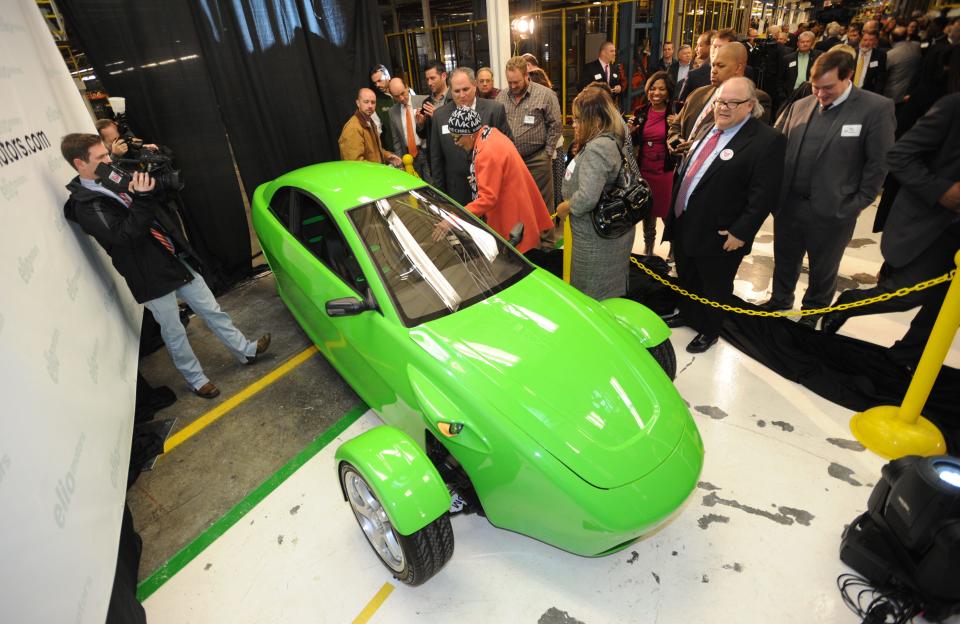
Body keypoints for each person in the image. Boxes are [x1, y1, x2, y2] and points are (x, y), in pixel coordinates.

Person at [60, 133, 270, 398]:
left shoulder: (113, 176)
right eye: (101, 157)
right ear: (80, 163)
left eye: (106, 154)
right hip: (148, 274)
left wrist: (152, 184)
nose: (108, 159)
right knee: (174, 331)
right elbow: (125, 235)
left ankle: (246, 351)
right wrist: (142, 197)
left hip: (172, 257)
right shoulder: (85, 206)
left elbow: (152, 206)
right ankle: (196, 379)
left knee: (211, 309)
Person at [820, 94, 959, 370]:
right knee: (908, 294)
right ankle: (849, 303)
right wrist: (941, 191)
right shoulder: (953, 107)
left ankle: (908, 358)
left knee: (947, 305)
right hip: (938, 223)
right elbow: (899, 155)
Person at [762, 50, 896, 326]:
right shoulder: (801, 105)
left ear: (848, 77)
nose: (820, 94)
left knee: (823, 268)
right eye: (816, 86)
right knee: (785, 259)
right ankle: (780, 300)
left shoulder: (874, 109)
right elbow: (780, 149)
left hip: (834, 209)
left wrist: (857, 202)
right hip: (789, 205)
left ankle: (812, 313)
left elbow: (879, 163)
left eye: (828, 88)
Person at [662, 77, 785, 353]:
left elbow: (764, 195)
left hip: (721, 233)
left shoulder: (767, 141)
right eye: (720, 101)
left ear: (750, 105)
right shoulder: (710, 128)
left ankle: (710, 329)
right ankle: (688, 313)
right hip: (686, 222)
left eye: (732, 102)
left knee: (714, 285)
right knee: (688, 276)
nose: (723, 108)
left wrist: (741, 231)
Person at [556, 87, 634, 300]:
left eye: (579, 120)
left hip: (595, 241)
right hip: (603, 237)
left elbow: (587, 198)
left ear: (597, 122)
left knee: (591, 294)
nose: (574, 124)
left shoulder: (597, 148)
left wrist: (565, 207)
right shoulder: (608, 140)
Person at [443, 107, 553, 254]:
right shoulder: (491, 134)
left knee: (517, 263)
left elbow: (488, 198)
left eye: (456, 137)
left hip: (512, 220)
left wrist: (454, 218)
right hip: (520, 207)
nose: (456, 143)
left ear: (469, 134)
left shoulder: (486, 153)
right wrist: (480, 178)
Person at [668, 42, 772, 157]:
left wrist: (701, 146)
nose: (713, 70)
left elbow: (747, 143)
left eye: (721, 66)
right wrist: (676, 141)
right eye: (713, 65)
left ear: (739, 67)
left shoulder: (756, 99)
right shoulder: (698, 93)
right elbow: (676, 125)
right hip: (683, 170)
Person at [429, 67, 512, 206]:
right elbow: (436, 159)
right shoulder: (440, 116)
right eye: (456, 91)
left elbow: (508, 148)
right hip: (456, 193)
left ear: (474, 86)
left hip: (491, 190)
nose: (461, 95)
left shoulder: (494, 110)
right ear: (450, 90)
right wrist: (441, 199)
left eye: (465, 89)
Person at [497, 56, 562, 213]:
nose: (512, 86)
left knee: (542, 205)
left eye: (516, 82)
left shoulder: (545, 95)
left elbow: (556, 125)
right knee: (517, 204)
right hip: (511, 162)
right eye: (509, 82)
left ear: (527, 75)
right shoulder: (501, 97)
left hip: (537, 160)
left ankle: (546, 238)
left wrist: (547, 153)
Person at [630, 70, 676, 256]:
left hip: (665, 170)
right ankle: (648, 247)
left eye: (661, 89)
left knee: (665, 211)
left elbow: (686, 138)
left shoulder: (676, 110)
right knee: (647, 209)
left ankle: (674, 248)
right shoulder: (641, 111)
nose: (656, 93)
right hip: (644, 168)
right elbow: (633, 142)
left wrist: (677, 125)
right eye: (653, 89)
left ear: (669, 91)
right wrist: (631, 130)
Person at [338, 88, 402, 166]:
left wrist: (387, 156)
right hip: (367, 177)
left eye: (373, 102)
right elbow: (355, 164)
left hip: (375, 174)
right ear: (358, 103)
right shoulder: (353, 127)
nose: (370, 106)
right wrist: (380, 169)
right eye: (366, 102)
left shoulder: (370, 121)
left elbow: (373, 151)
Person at [387, 77, 430, 181]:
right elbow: (396, 140)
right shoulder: (392, 112)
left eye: (403, 93)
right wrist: (400, 163)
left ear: (407, 87)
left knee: (432, 186)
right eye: (397, 96)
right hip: (408, 158)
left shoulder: (423, 100)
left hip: (426, 152)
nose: (401, 98)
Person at [680, 30, 730, 100]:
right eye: (715, 47)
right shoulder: (694, 75)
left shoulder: (744, 74)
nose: (696, 49)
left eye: (700, 45)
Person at [884, 26, 922, 105]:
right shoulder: (917, 46)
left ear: (891, 38)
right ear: (907, 37)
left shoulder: (890, 55)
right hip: (912, 90)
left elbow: (882, 74)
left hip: (894, 94)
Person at [781, 32, 822, 102]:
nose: (805, 44)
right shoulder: (788, 58)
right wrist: (783, 95)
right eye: (802, 42)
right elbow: (780, 78)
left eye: (808, 41)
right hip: (790, 95)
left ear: (812, 43)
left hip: (810, 94)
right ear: (797, 43)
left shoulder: (818, 57)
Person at [369, 65, 396, 151]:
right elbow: (377, 131)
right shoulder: (376, 102)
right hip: (393, 150)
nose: (377, 85)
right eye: (375, 83)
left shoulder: (406, 91)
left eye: (379, 81)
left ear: (388, 76)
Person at [854, 30, 888, 94]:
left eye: (871, 40)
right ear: (860, 39)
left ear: (875, 41)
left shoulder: (880, 56)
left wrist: (876, 96)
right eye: (865, 40)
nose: (867, 43)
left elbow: (880, 79)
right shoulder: (852, 52)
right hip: (849, 90)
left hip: (866, 92)